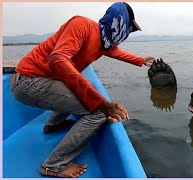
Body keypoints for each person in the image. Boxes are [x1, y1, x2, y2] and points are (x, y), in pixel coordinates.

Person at [10, 2, 155, 178]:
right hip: (28, 81)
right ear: (120, 23)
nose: (127, 34)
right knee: (99, 112)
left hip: (39, 80)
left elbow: (118, 53)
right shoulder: (82, 25)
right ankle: (53, 165)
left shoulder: (104, 42)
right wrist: (101, 104)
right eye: (129, 29)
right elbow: (58, 59)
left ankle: (53, 125)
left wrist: (141, 61)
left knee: (80, 88)